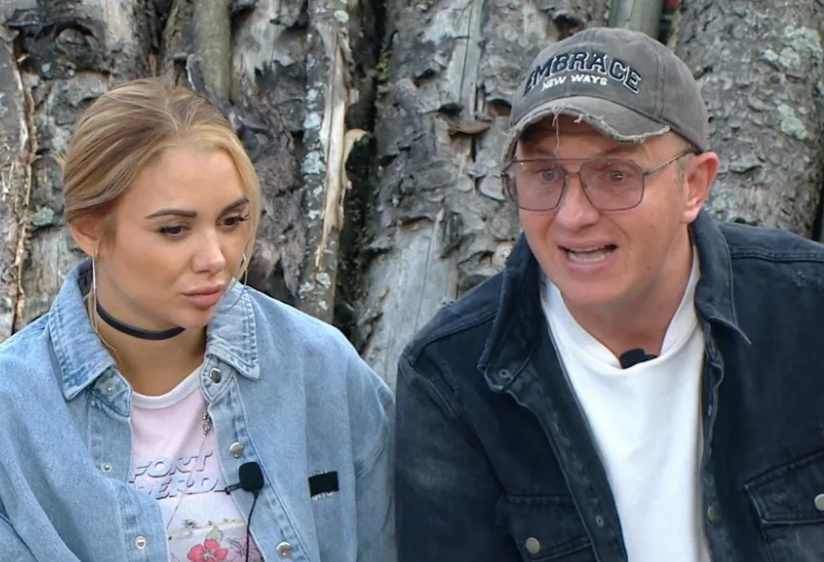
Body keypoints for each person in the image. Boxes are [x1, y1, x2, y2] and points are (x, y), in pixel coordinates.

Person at [396, 26, 824, 562]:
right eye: (545, 174)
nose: (573, 215)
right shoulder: (451, 378)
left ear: (694, 185)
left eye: (615, 175)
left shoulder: (808, 311)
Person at [0, 78, 395, 562]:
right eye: (174, 229)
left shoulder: (320, 367)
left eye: (231, 221)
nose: (214, 258)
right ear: (89, 230)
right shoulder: (13, 408)